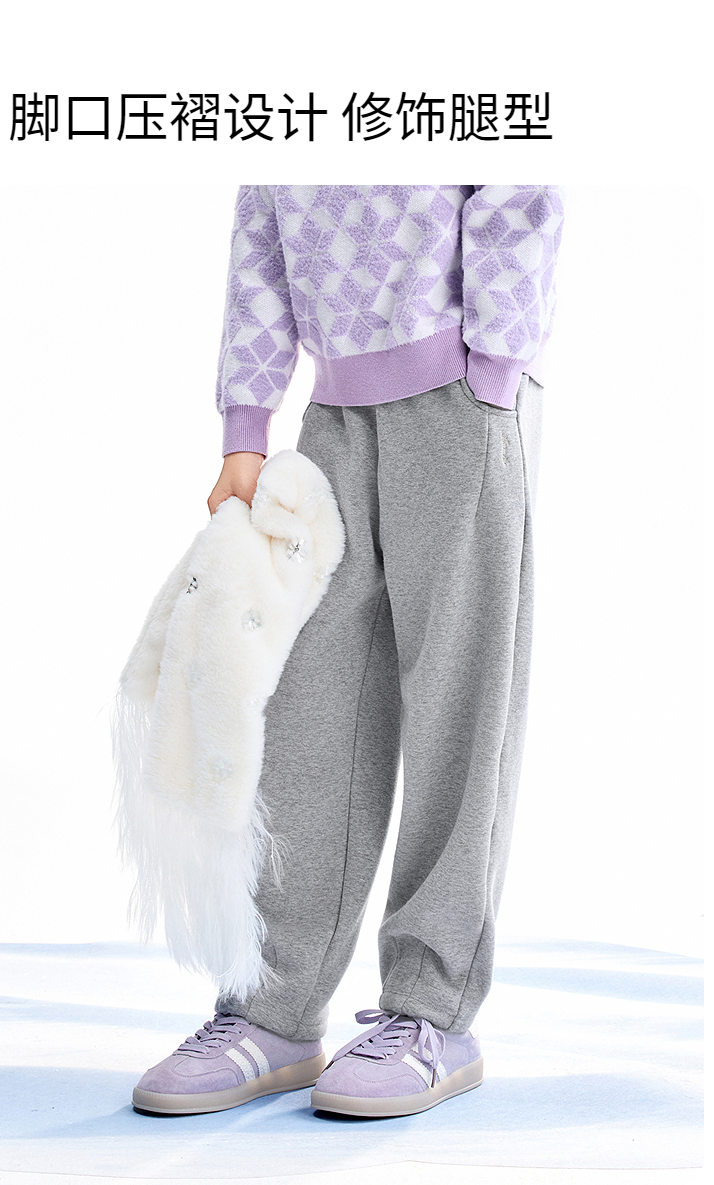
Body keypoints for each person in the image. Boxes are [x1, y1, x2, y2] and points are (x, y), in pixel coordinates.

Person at [132, 184, 565, 1119]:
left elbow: (519, 170)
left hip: (461, 394)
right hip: (332, 415)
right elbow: (260, 227)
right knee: (309, 711)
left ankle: (432, 1007)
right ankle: (276, 1008)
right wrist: (246, 427)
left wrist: (493, 363)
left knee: (461, 705)